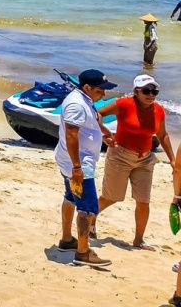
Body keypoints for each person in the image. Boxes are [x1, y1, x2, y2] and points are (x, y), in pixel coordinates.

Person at [96, 74, 174, 247]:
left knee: (143, 201)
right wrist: (104, 133)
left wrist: (173, 160)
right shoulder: (124, 104)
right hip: (120, 155)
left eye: (155, 91)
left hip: (145, 159)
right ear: (136, 92)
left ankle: (138, 240)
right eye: (147, 91)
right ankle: (90, 218)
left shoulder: (158, 110)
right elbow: (98, 113)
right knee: (111, 197)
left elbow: (162, 135)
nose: (151, 95)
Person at [55, 68, 116, 267]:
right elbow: (71, 134)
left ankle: (66, 240)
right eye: (100, 90)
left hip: (75, 161)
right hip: (79, 163)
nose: (104, 94)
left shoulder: (84, 99)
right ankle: (83, 252)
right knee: (88, 208)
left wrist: (104, 132)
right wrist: (77, 168)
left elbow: (95, 116)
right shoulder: (76, 104)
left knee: (71, 197)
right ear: (88, 87)